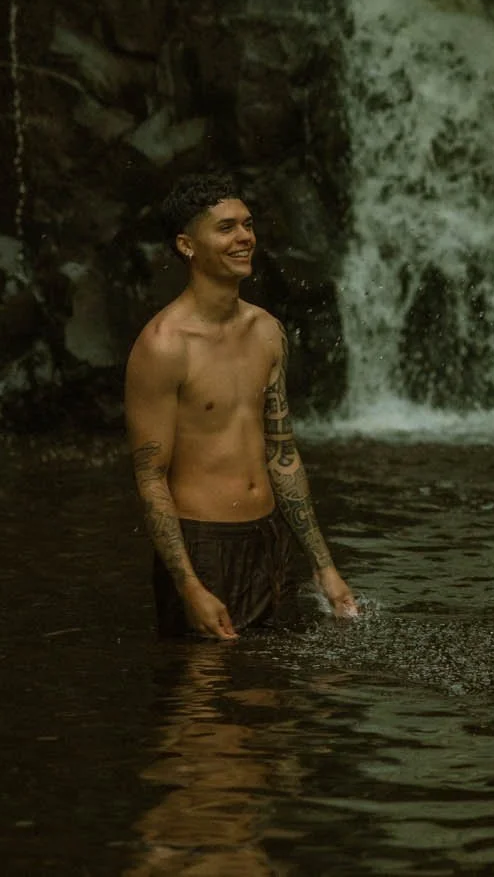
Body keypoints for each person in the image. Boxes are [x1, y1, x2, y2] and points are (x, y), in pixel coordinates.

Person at [126, 172, 360, 638]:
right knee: (205, 698)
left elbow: (282, 453)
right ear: (187, 245)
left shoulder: (268, 332)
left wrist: (324, 567)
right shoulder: (164, 346)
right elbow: (151, 477)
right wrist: (189, 586)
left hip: (268, 540)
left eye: (248, 224)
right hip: (204, 544)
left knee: (269, 697)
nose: (245, 237)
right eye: (226, 227)